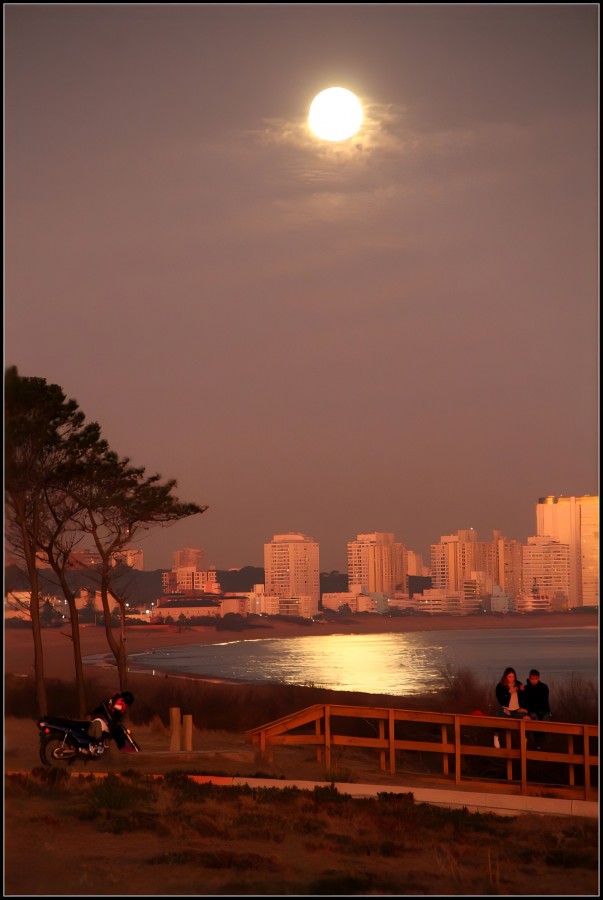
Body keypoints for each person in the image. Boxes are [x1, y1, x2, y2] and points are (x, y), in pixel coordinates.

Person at [493, 667, 530, 748]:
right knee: (500, 715)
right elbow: (501, 700)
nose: (512, 679)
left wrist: (524, 707)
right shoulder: (500, 686)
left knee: (527, 718)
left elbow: (524, 698)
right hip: (505, 709)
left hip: (517, 709)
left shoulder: (518, 684)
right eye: (510, 676)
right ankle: (496, 736)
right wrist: (509, 692)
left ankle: (525, 738)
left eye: (513, 676)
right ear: (506, 676)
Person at [523, 669, 551, 749]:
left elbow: (541, 700)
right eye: (532, 679)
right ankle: (538, 745)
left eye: (535, 679)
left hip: (543, 710)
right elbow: (528, 701)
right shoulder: (526, 688)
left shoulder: (544, 687)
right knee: (535, 726)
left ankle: (542, 745)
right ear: (529, 678)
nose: (534, 681)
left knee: (544, 728)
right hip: (532, 711)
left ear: (538, 678)